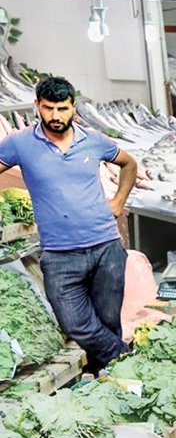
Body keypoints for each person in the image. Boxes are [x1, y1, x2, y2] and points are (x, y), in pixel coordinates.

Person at [0, 76, 138, 372]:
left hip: (105, 249)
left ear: (73, 107)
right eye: (48, 108)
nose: (55, 116)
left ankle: (110, 381)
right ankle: (126, 361)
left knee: (108, 320)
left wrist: (118, 202)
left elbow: (129, 164)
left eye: (62, 109)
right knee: (74, 323)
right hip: (60, 255)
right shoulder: (20, 144)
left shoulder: (94, 140)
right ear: (37, 105)